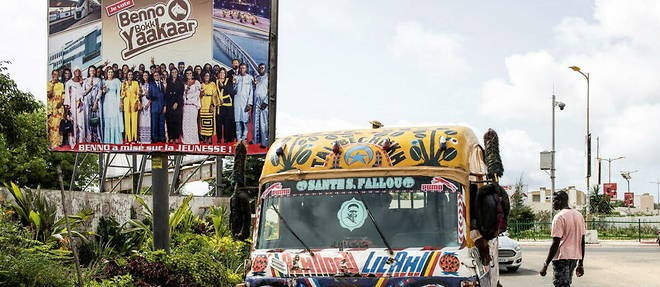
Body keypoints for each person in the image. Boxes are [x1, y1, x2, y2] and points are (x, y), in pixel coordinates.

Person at [540, 190, 586, 287]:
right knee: (566, 284)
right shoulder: (579, 215)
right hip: (574, 258)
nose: (553, 203)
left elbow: (555, 243)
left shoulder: (559, 217)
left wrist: (546, 264)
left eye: (554, 200)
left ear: (560, 201)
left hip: (562, 258)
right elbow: (582, 241)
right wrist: (580, 263)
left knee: (561, 285)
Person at [101, 68, 124, 144]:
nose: (110, 74)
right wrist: (104, 91)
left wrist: (120, 103)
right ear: (106, 73)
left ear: (113, 73)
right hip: (107, 102)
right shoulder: (104, 82)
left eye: (111, 72)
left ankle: (116, 140)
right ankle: (108, 140)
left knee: (115, 119)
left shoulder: (117, 81)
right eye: (109, 72)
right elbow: (102, 93)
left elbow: (120, 93)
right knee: (107, 120)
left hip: (114, 101)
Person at [65, 68, 86, 145]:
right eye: (76, 71)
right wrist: (67, 108)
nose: (77, 72)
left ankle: (81, 142)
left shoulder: (82, 82)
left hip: (80, 105)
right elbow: (67, 96)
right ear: (73, 72)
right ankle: (72, 143)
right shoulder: (69, 83)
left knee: (81, 124)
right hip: (72, 106)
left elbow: (84, 93)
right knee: (73, 124)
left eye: (79, 71)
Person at [233, 63, 253, 141]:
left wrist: (249, 103)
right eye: (240, 68)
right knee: (237, 121)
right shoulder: (237, 78)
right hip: (237, 102)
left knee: (245, 121)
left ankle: (244, 136)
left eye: (243, 68)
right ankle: (238, 137)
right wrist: (234, 83)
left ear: (246, 69)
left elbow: (251, 92)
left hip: (245, 102)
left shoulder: (250, 78)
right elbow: (234, 90)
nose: (242, 70)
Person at [215, 68, 235, 143]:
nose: (222, 74)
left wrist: (223, 86)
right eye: (220, 73)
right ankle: (219, 138)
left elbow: (231, 92)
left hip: (227, 104)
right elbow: (214, 93)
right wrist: (218, 100)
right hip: (219, 104)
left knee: (227, 123)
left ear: (225, 74)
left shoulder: (229, 81)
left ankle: (227, 138)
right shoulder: (216, 81)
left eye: (223, 73)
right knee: (218, 123)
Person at [182, 69, 201, 144]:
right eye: (187, 73)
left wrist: (189, 97)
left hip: (193, 105)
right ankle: (186, 140)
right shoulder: (184, 83)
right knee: (186, 123)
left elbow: (197, 93)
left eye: (190, 73)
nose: (189, 75)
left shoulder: (196, 82)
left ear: (192, 74)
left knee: (192, 123)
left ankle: (194, 141)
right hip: (186, 105)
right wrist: (185, 92)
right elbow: (182, 94)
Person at [84, 66, 102, 142]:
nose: (92, 72)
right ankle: (89, 137)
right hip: (87, 101)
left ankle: (97, 137)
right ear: (88, 71)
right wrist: (88, 90)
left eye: (93, 70)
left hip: (96, 101)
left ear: (95, 71)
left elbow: (100, 91)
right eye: (90, 70)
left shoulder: (98, 80)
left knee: (96, 119)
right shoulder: (86, 80)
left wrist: (95, 103)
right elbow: (83, 92)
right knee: (88, 119)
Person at [165, 68, 184, 143]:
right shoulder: (168, 81)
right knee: (170, 121)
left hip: (177, 104)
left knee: (177, 121)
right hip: (169, 103)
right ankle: (171, 137)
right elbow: (166, 93)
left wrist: (177, 102)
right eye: (172, 72)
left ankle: (176, 137)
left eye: (175, 72)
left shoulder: (180, 82)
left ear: (177, 73)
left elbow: (181, 94)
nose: (174, 73)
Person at [121, 70, 140, 143]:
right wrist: (125, 88)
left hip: (134, 103)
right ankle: (128, 138)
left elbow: (138, 93)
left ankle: (134, 138)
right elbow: (122, 95)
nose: (130, 76)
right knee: (127, 120)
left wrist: (137, 101)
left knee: (134, 120)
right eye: (129, 74)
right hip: (126, 103)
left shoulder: (136, 83)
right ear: (127, 75)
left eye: (131, 74)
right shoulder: (124, 83)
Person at [47, 70, 65, 148]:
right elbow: (49, 95)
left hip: (59, 108)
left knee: (58, 126)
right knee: (51, 127)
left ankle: (57, 144)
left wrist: (60, 103)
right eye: (54, 74)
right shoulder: (48, 84)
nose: (56, 76)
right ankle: (51, 144)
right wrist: (52, 85)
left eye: (57, 75)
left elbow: (63, 96)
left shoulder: (61, 84)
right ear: (52, 75)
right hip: (51, 109)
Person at [148, 71, 167, 143]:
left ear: (159, 76)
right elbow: (148, 96)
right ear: (153, 77)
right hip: (154, 107)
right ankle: (154, 139)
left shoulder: (162, 85)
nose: (156, 76)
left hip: (162, 106)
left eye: (157, 75)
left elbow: (165, 96)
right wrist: (149, 95)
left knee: (161, 123)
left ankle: (162, 138)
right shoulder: (151, 85)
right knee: (154, 124)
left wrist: (165, 106)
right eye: (155, 75)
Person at [200, 71, 218, 144]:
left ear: (210, 77)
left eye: (208, 76)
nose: (206, 77)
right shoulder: (201, 84)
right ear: (203, 77)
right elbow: (198, 95)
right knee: (202, 122)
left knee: (210, 122)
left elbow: (215, 95)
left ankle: (209, 138)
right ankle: (204, 137)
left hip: (209, 104)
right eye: (205, 76)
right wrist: (201, 94)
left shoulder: (212, 84)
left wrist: (213, 104)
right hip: (202, 104)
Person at [253, 63, 268, 147]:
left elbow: (270, 90)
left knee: (263, 122)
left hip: (263, 101)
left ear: (265, 69)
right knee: (256, 121)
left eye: (262, 67)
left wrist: (266, 102)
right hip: (256, 101)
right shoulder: (257, 77)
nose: (261, 69)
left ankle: (264, 142)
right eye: (260, 67)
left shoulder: (268, 77)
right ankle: (256, 140)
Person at [138, 71, 151, 143]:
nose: (145, 76)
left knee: (148, 119)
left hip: (148, 102)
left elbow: (152, 95)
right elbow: (138, 95)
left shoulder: (151, 84)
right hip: (142, 102)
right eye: (144, 75)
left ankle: (148, 139)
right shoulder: (140, 84)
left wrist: (149, 103)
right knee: (142, 120)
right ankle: (142, 139)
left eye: (146, 75)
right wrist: (141, 103)